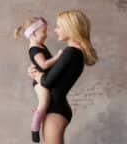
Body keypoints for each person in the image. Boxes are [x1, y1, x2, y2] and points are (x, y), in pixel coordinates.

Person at [28, 10, 98, 144]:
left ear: (70, 28)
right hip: (55, 108)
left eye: (59, 26)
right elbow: (50, 78)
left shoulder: (71, 52)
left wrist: (36, 75)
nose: (55, 30)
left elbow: (47, 82)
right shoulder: (73, 52)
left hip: (56, 110)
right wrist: (36, 72)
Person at [14, 17, 62, 143]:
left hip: (44, 79)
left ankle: (40, 117)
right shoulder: (34, 49)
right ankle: (35, 128)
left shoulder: (40, 45)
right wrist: (58, 57)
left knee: (47, 103)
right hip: (40, 81)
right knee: (44, 102)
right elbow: (44, 65)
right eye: (44, 32)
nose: (46, 34)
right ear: (34, 33)